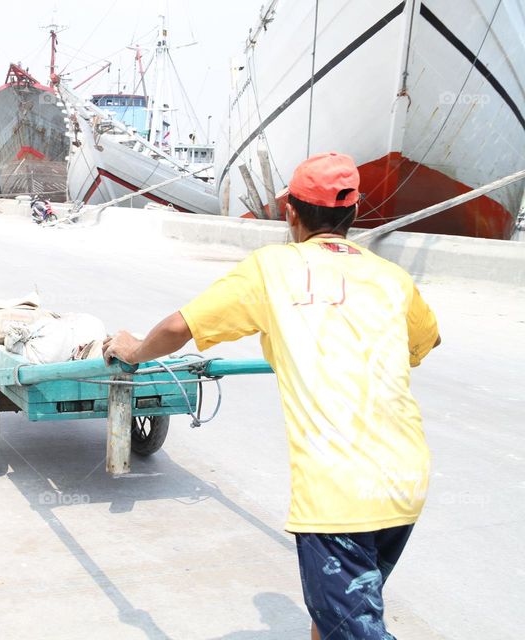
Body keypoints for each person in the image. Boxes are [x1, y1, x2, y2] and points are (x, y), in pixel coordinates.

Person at [103, 152, 441, 640]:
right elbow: (423, 343)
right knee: (338, 617)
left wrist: (133, 350)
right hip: (406, 479)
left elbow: (180, 327)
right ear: (354, 211)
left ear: (291, 213)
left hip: (340, 492)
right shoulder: (393, 277)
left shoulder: (273, 268)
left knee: (352, 628)